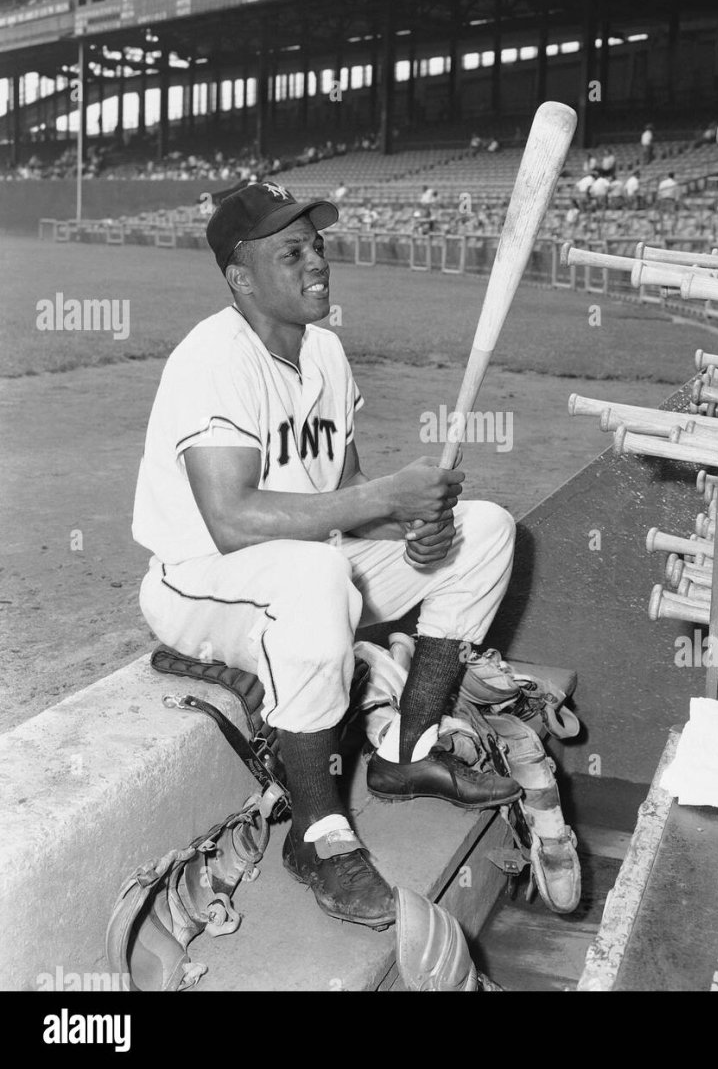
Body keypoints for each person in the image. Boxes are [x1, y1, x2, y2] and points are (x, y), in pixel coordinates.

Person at [132, 182, 520, 931]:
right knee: (313, 574)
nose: (318, 261)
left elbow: (341, 496)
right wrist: (385, 501)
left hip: (307, 569)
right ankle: (318, 837)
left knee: (486, 528)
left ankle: (410, 749)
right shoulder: (212, 357)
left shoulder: (328, 354)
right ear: (241, 278)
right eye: (292, 251)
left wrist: (415, 535)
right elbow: (232, 519)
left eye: (317, 245)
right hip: (202, 583)